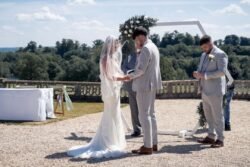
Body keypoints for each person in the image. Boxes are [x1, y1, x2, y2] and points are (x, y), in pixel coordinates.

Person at [67, 36, 126, 159]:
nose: (117, 47)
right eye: (115, 45)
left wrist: (122, 77)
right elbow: (110, 76)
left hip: (114, 90)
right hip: (110, 91)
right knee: (109, 114)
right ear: (111, 45)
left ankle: (115, 140)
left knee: (115, 114)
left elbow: (115, 73)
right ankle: (107, 141)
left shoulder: (112, 58)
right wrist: (124, 78)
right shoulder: (105, 59)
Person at [117, 27, 162, 155]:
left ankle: (147, 146)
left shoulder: (146, 49)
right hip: (151, 84)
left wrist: (126, 76)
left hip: (143, 85)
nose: (136, 42)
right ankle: (153, 143)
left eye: (136, 40)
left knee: (144, 115)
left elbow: (140, 70)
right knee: (151, 114)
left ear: (140, 37)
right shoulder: (153, 46)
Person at [193, 35, 228, 148]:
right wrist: (197, 73)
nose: (203, 50)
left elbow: (222, 72)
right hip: (205, 90)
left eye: (205, 47)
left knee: (218, 115)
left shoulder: (220, 54)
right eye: (202, 48)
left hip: (216, 90)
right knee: (208, 115)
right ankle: (211, 136)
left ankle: (220, 139)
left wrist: (205, 75)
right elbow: (202, 68)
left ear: (210, 43)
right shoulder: (204, 55)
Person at [121, 43, 142, 137]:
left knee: (143, 108)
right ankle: (136, 129)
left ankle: (146, 128)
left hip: (142, 85)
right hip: (130, 84)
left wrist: (134, 73)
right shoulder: (130, 55)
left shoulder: (145, 55)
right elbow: (123, 66)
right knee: (133, 108)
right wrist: (128, 73)